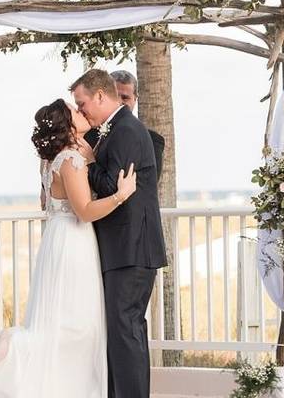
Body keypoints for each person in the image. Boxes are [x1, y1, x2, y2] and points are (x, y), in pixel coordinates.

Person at [0, 99, 137, 397]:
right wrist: (121, 196)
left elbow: (46, 202)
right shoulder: (70, 160)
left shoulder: (51, 160)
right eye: (75, 111)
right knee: (78, 327)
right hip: (74, 243)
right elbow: (85, 211)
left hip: (57, 238)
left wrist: (88, 159)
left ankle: (29, 355)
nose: (81, 112)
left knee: (58, 319)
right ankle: (14, 345)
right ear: (69, 124)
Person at [71, 69, 168, 398]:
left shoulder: (125, 130)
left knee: (125, 336)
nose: (82, 111)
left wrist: (87, 160)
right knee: (123, 334)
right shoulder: (114, 129)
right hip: (124, 249)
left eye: (82, 104)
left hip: (132, 249)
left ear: (100, 96)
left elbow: (113, 185)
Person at [84, 70, 166, 181]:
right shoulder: (87, 135)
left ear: (135, 99)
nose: (119, 102)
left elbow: (148, 184)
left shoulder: (153, 140)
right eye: (115, 96)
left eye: (125, 98)